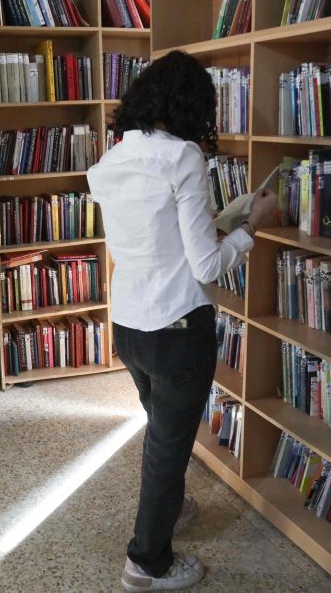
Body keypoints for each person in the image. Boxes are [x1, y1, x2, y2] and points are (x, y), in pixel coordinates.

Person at [87, 51, 278, 592]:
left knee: (162, 437)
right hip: (177, 327)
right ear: (193, 107)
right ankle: (147, 563)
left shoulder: (111, 160)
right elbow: (208, 265)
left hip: (128, 323)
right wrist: (252, 226)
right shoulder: (185, 156)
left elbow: (155, 236)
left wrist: (221, 221)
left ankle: (167, 510)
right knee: (167, 446)